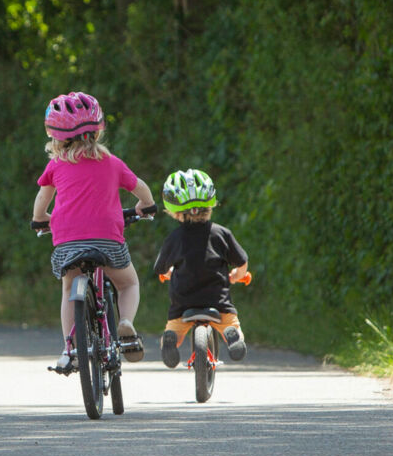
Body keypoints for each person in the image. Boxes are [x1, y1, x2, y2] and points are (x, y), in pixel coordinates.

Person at [31, 91, 155, 372]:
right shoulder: (112, 163)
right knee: (128, 283)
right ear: (98, 132)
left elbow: (41, 201)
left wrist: (40, 219)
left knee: (67, 289)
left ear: (57, 137)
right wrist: (145, 207)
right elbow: (142, 188)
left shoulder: (57, 165)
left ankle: (70, 348)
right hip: (108, 239)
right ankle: (126, 323)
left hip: (67, 241)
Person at [153, 168, 248, 368]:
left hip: (183, 301)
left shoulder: (174, 238)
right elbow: (241, 262)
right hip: (217, 300)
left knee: (174, 329)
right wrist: (237, 275)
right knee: (231, 323)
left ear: (174, 211)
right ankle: (232, 337)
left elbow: (160, 268)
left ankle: (171, 339)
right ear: (209, 204)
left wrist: (168, 274)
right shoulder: (221, 233)